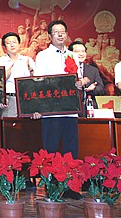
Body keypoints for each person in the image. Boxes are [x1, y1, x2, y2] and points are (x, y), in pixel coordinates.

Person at [33, 20, 83, 199]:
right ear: (49, 36)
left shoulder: (73, 55)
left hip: (70, 109)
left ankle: (70, 186)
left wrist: (80, 83)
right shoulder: (43, 56)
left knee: (71, 148)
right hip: (51, 110)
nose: (60, 35)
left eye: (63, 31)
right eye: (56, 32)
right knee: (51, 149)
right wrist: (39, 107)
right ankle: (52, 186)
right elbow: (38, 82)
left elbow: (77, 78)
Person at [0, 32, 35, 118]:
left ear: (19, 44)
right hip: (9, 99)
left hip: (26, 99)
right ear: (4, 47)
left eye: (14, 42)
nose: (12, 45)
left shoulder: (27, 60)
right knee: (9, 125)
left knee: (27, 125)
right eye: (9, 43)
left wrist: (31, 71)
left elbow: (35, 81)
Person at [68, 40, 105, 117]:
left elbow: (101, 88)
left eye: (83, 51)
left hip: (89, 107)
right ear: (70, 53)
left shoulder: (93, 70)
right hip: (72, 108)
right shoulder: (65, 69)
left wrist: (93, 89)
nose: (81, 54)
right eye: (77, 51)